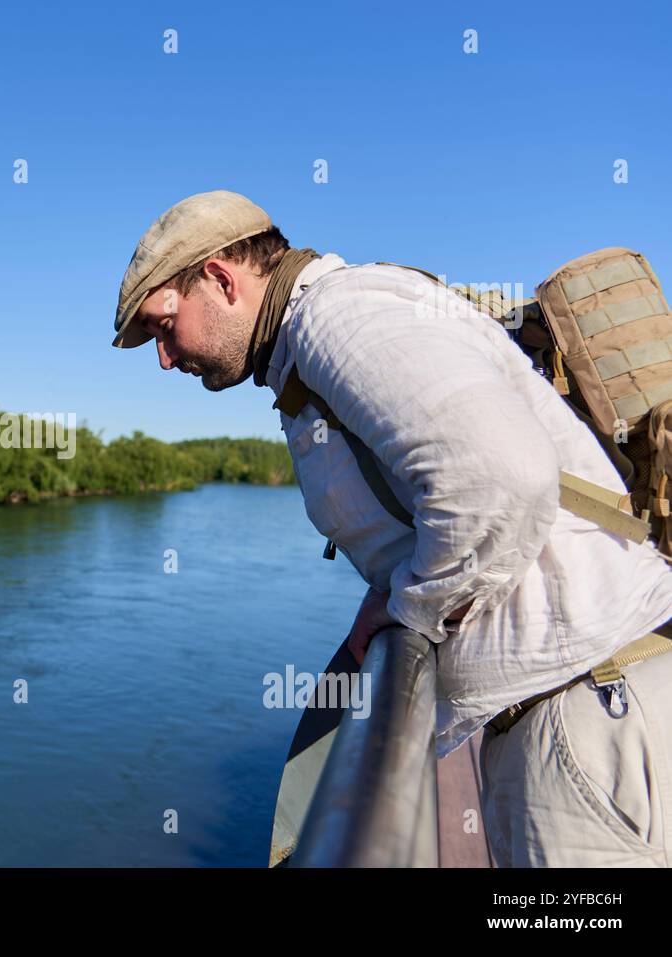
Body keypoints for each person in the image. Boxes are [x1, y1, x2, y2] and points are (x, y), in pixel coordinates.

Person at [111, 189, 672, 866]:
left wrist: (409, 607)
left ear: (222, 280)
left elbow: (500, 478)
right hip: (584, 703)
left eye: (164, 325)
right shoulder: (313, 343)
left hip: (581, 718)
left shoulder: (335, 319)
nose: (166, 358)